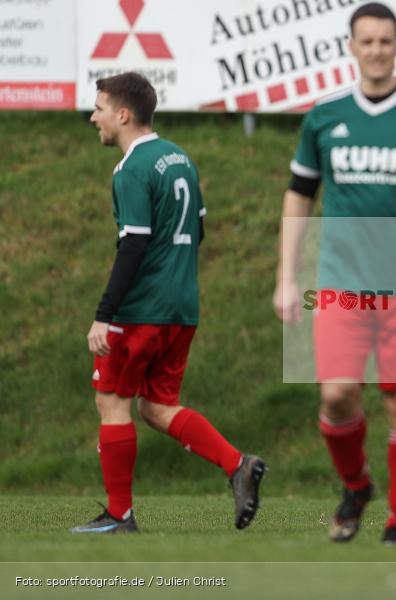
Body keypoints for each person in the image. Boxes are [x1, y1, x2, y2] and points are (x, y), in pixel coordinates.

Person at [273, 2, 396, 546]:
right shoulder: (325, 115)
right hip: (341, 284)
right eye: (368, 41)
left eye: (386, 41)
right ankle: (356, 485)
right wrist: (285, 276)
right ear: (352, 47)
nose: (377, 50)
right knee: (336, 396)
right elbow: (299, 197)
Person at [73, 72, 266, 534]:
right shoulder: (181, 158)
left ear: (123, 114)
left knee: (112, 402)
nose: (93, 116)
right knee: (156, 406)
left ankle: (119, 515)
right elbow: (197, 230)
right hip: (182, 307)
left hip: (141, 311)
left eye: (99, 107)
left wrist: (104, 314)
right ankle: (237, 464)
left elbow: (134, 243)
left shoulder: (132, 168)